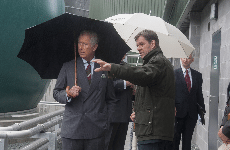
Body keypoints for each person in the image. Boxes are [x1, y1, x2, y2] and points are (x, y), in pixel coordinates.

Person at [93, 29, 175, 150]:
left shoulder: (158, 62)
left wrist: (113, 68)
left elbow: (142, 75)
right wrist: (139, 112)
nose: (138, 48)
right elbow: (154, 97)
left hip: (153, 132)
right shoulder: (155, 63)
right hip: (151, 128)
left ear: (153, 44)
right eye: (137, 45)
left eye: (142, 44)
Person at [53, 30, 116, 150]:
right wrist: (68, 94)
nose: (81, 47)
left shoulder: (104, 68)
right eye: (79, 43)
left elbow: (111, 99)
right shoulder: (68, 66)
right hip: (72, 130)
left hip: (96, 130)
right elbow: (56, 92)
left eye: (85, 44)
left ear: (94, 47)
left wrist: (106, 122)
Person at [173, 53, 205, 150]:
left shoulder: (198, 75)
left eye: (188, 58)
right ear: (180, 58)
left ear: (192, 60)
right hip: (177, 113)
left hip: (191, 114)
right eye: (183, 57)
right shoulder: (173, 74)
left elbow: (199, 94)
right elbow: (170, 93)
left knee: (187, 141)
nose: (185, 60)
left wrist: (202, 110)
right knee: (175, 140)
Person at [105, 55, 134, 150]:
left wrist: (133, 90)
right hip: (113, 113)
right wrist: (125, 83)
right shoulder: (107, 66)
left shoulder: (126, 66)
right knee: (108, 144)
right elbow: (106, 86)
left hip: (125, 112)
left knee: (120, 145)